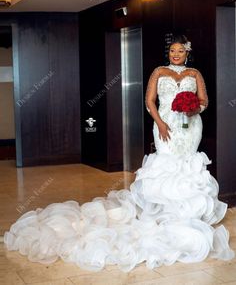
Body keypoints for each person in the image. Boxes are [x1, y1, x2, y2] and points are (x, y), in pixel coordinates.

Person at [4, 34, 234, 272]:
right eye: (172, 51)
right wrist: (161, 123)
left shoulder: (195, 74)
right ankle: (162, 213)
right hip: (165, 124)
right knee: (167, 163)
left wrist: (193, 108)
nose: (175, 54)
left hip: (191, 126)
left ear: (187, 52)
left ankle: (188, 214)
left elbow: (204, 100)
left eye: (180, 51)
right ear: (169, 52)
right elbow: (149, 101)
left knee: (187, 164)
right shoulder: (158, 72)